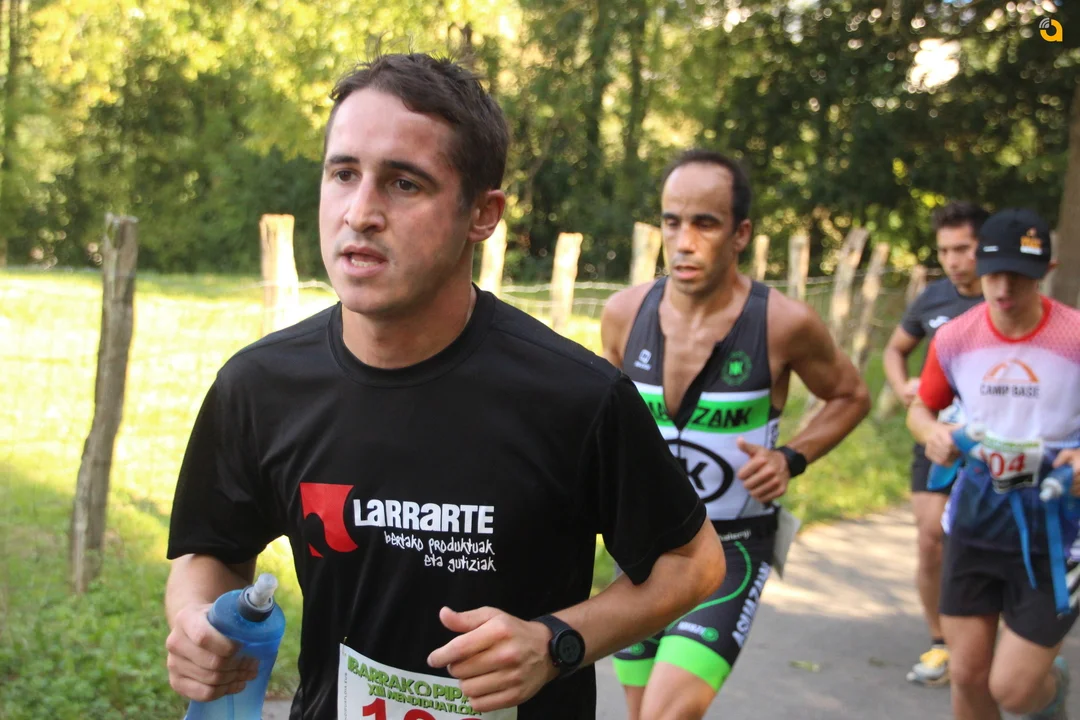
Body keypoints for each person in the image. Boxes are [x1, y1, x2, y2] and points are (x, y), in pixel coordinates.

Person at [163, 54, 727, 720]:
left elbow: (694, 563)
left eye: (404, 183)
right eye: (343, 174)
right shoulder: (259, 386)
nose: (360, 213)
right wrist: (197, 620)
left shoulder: (575, 397)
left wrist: (555, 644)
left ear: (483, 214)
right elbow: (211, 551)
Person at [601, 149, 871, 720]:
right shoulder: (623, 313)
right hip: (644, 547)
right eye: (672, 222)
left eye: (705, 223)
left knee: (665, 714)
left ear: (740, 234)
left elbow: (851, 395)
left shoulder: (783, 323)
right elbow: (604, 426)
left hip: (730, 550)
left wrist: (791, 457)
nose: (684, 242)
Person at [907, 207, 1080, 720]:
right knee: (967, 677)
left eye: (1018, 277)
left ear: (1045, 272)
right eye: (993, 274)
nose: (1003, 289)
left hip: (1057, 529)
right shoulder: (955, 337)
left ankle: (1052, 689)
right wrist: (933, 434)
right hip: (977, 519)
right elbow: (922, 409)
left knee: (1014, 691)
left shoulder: (1074, 338)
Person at [882, 200, 988, 686]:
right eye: (944, 251)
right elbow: (895, 349)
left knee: (982, 539)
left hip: (995, 443)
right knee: (930, 538)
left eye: (963, 249)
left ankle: (987, 633)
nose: (953, 260)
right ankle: (941, 642)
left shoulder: (1004, 297)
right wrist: (905, 388)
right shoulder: (933, 299)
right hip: (935, 435)